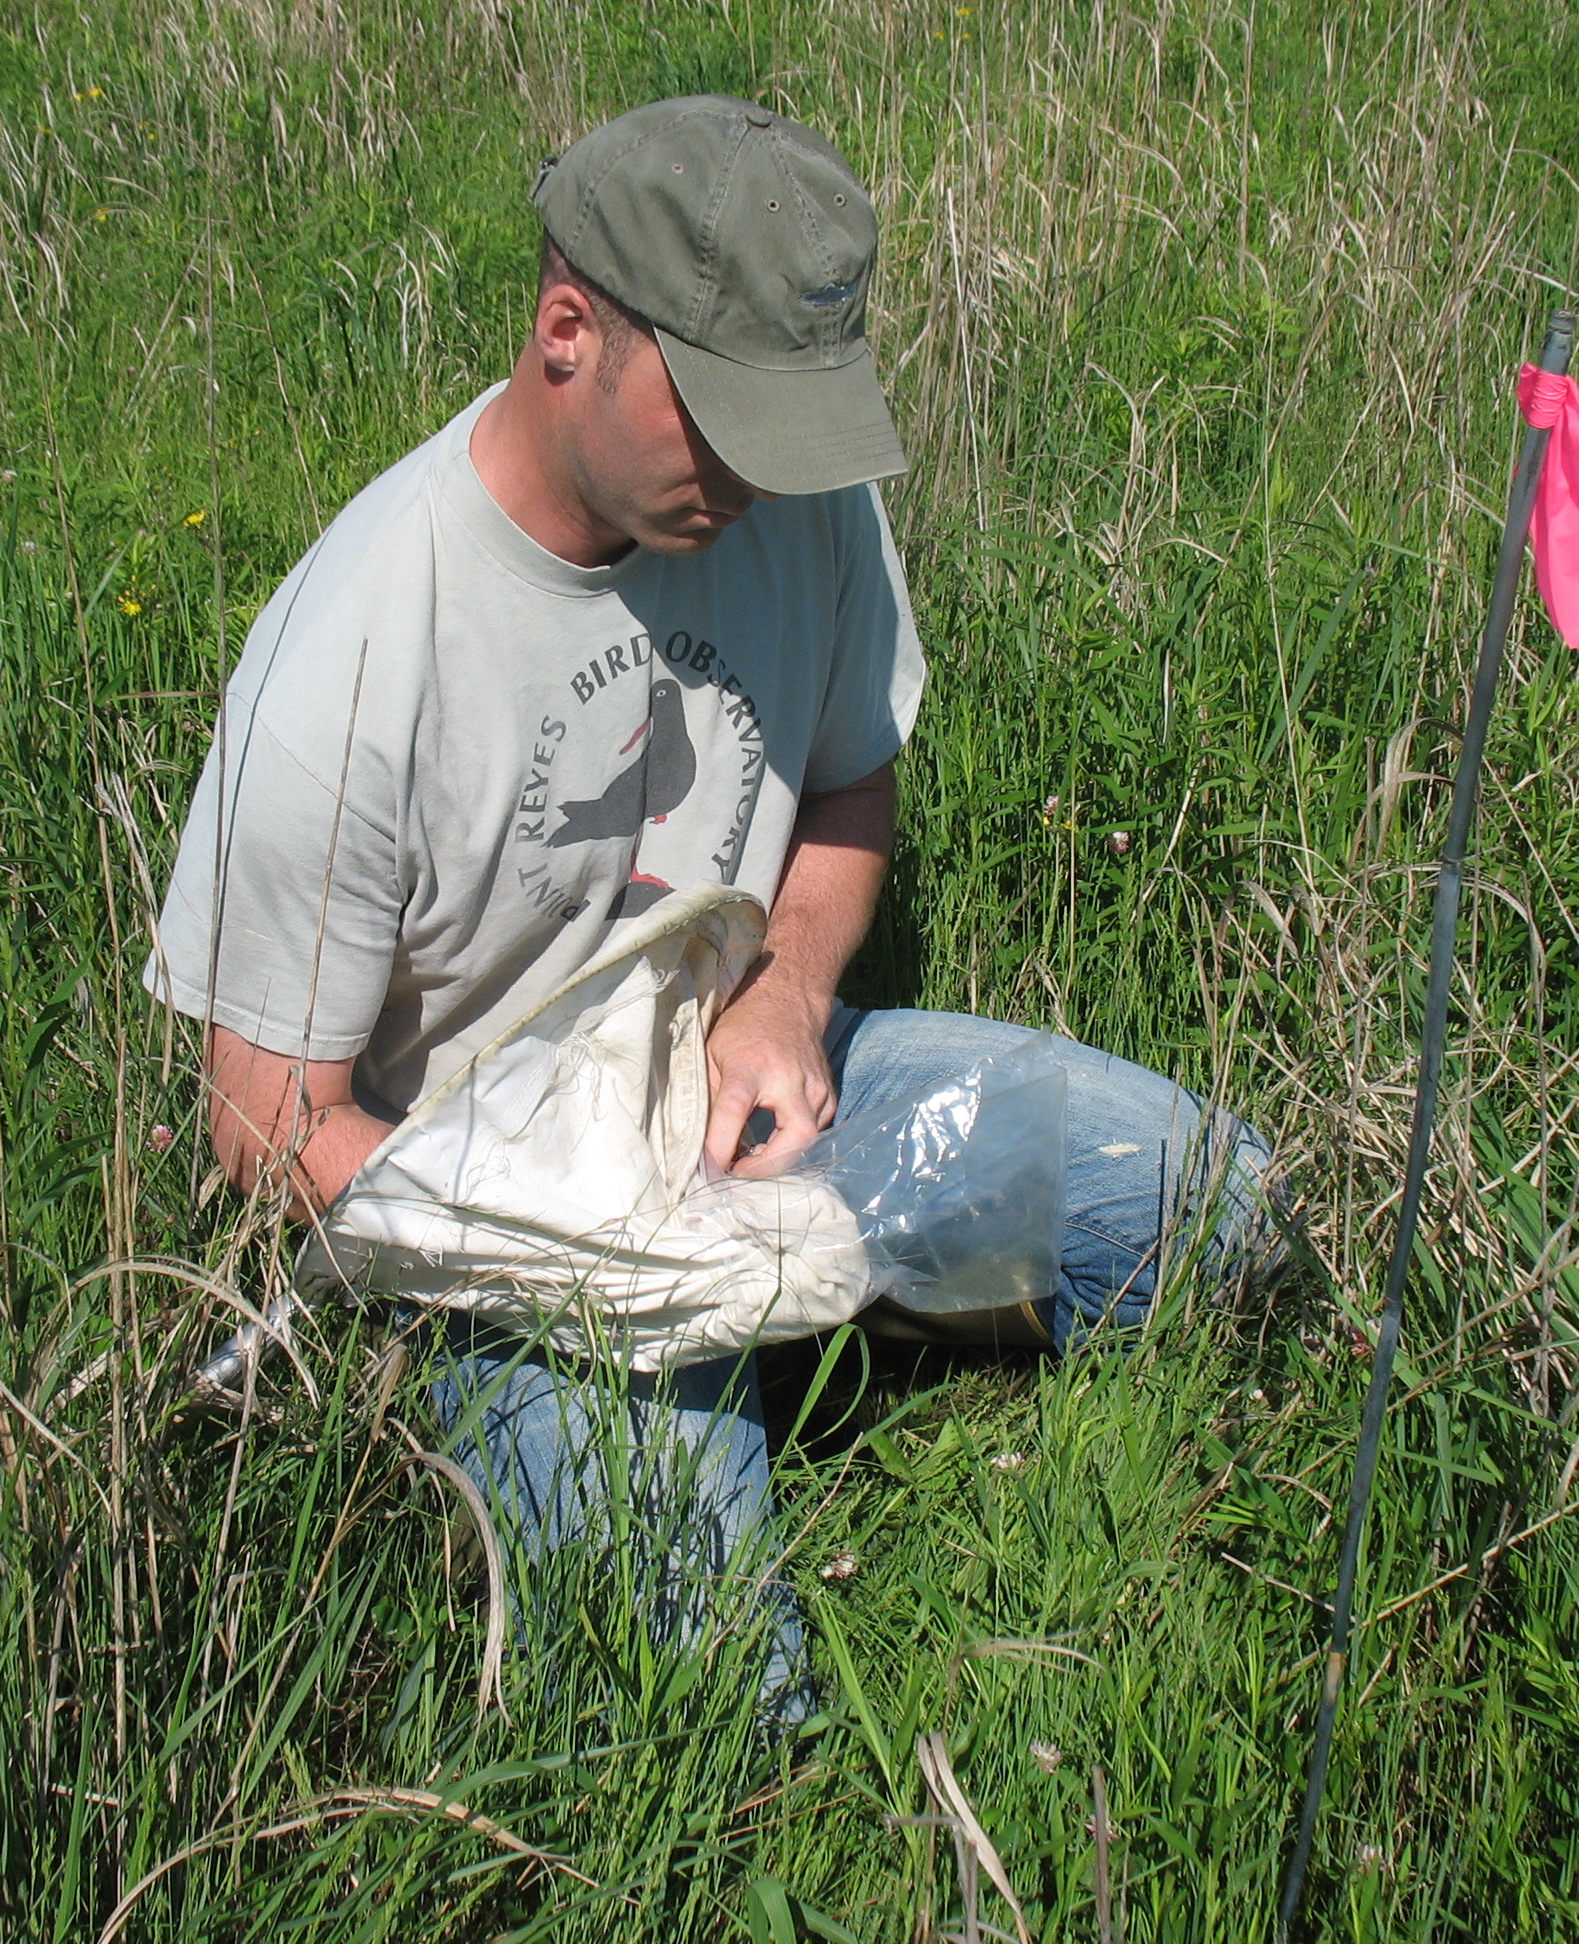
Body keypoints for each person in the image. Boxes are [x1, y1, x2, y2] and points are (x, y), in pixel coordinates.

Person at [146, 95, 1280, 1720]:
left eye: (795, 423)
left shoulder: (791, 486)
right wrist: (579, 1250)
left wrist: (787, 996)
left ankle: (845, 1316)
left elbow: (848, 787)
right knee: (701, 1705)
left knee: (1209, 1209)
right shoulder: (352, 657)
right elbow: (265, 1125)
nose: (764, 478)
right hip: (506, 1254)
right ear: (567, 334)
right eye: (726, 419)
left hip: (756, 1109)